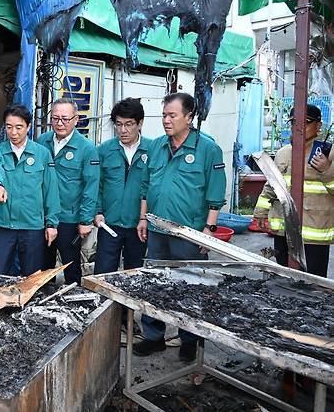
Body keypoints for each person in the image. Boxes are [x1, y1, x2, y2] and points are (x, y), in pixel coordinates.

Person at [135, 93, 226, 362]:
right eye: (164, 115)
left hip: (189, 233)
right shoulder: (157, 146)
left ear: (189, 117)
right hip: (157, 228)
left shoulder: (207, 149)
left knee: (190, 287)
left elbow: (216, 192)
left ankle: (190, 340)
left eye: (172, 115)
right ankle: (154, 337)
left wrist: (208, 230)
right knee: (154, 283)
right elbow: (145, 186)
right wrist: (143, 218)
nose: (166, 120)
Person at [253, 104, 334, 277]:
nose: (298, 128)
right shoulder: (283, 153)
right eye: (293, 123)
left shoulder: (330, 154)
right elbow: (271, 185)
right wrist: (260, 211)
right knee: (284, 280)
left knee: (313, 284)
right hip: (284, 230)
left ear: (318, 126)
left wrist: (327, 170)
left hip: (314, 235)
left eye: (306, 122)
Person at [0, 104, 60, 276]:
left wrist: (52, 224)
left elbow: (51, 191)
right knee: (0, 273)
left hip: (32, 225)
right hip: (5, 223)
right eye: (9, 127)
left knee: (32, 275)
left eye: (19, 127)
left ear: (28, 127)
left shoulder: (42, 153)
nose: (13, 132)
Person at [37, 98, 99, 284]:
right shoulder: (42, 142)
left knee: (70, 266)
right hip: (43, 216)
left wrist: (85, 220)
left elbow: (91, 186)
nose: (60, 123)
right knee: (43, 266)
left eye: (65, 118)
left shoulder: (86, 148)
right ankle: (44, 304)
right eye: (55, 118)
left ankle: (72, 302)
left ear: (75, 119)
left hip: (69, 218)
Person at [94, 98, 150, 274]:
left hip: (138, 225)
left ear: (140, 123)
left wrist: (145, 218)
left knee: (134, 275)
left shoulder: (153, 149)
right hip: (109, 223)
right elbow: (97, 184)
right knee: (103, 273)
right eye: (118, 125)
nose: (123, 130)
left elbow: (152, 187)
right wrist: (97, 211)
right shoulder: (104, 150)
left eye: (129, 124)